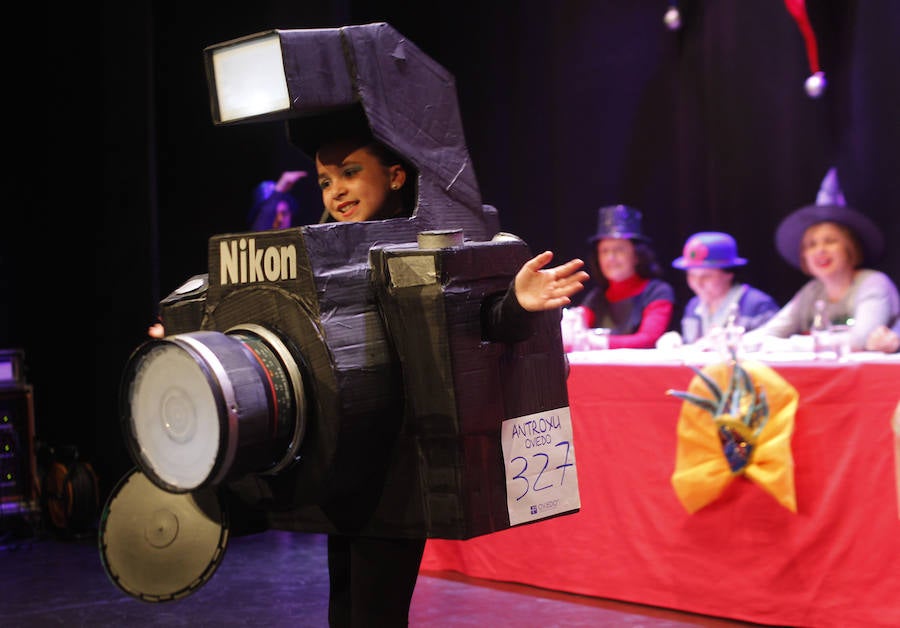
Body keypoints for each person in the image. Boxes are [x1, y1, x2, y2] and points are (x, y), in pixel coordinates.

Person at [313, 131, 589, 627]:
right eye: (325, 180)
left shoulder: (436, 240)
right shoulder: (321, 254)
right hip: (343, 454)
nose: (336, 190)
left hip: (400, 459)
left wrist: (518, 305)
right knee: (346, 602)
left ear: (395, 176)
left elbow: (478, 326)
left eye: (350, 172)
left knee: (375, 609)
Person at [743, 169, 900, 352]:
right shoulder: (812, 291)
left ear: (850, 248)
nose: (820, 251)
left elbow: (861, 339)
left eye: (830, 241)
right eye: (811, 245)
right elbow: (770, 331)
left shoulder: (873, 283)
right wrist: (734, 341)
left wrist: (794, 345)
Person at [147, 170, 310, 338]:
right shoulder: (245, 254)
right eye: (273, 213)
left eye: (284, 213)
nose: (278, 219)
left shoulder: (301, 249)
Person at [561, 204, 674, 350]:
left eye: (619, 250)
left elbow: (649, 340)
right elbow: (576, 332)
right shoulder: (596, 296)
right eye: (604, 251)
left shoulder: (658, 291)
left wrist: (600, 343)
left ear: (637, 256)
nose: (611, 258)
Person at [659, 231, 779, 348]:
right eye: (691, 275)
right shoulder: (693, 306)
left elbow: (771, 346)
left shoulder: (757, 305)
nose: (697, 283)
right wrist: (677, 343)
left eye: (706, 276)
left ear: (729, 274)